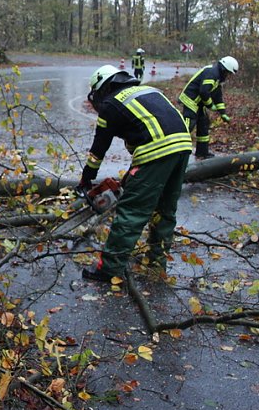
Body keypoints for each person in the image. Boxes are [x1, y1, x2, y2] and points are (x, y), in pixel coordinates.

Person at [78, 66, 192, 282]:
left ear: (105, 87)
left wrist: (86, 178)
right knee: (165, 211)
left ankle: (109, 270)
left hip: (158, 150)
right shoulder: (149, 92)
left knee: (131, 212)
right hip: (184, 146)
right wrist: (132, 176)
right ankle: (156, 265)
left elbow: (98, 149)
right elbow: (146, 136)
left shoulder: (111, 104)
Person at [178, 56, 239, 159]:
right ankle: (177, 152)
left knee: (204, 124)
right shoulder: (212, 73)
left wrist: (222, 112)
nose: (229, 76)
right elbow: (204, 91)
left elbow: (217, 96)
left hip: (198, 103)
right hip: (190, 100)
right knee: (187, 126)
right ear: (224, 69)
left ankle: (202, 152)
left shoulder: (218, 77)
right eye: (229, 73)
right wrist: (210, 105)